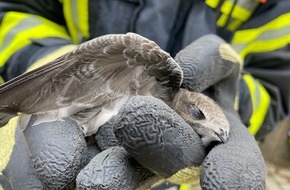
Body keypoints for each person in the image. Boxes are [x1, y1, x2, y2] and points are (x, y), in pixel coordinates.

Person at [0, 0, 289, 189]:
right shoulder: (145, 65)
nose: (207, 130)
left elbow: (275, 82)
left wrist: (231, 103)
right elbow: (15, 10)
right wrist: (68, 74)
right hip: (59, 120)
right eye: (197, 115)